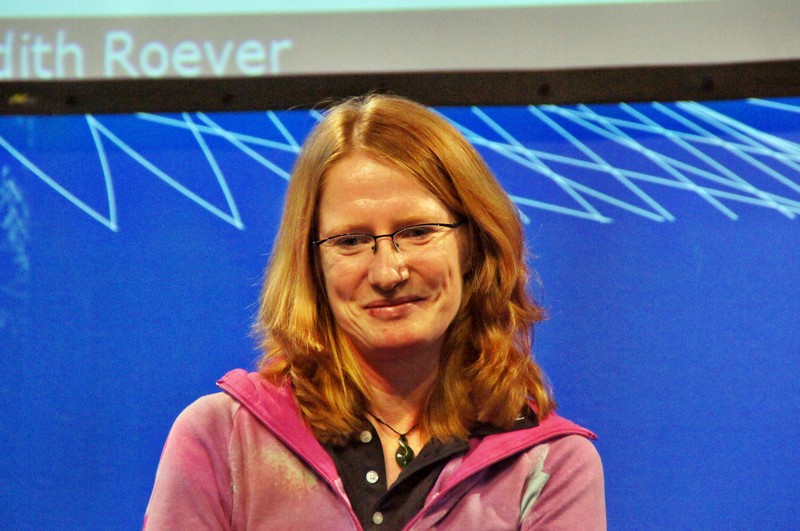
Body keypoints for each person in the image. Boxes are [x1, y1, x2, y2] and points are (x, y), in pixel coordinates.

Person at [144, 93, 605, 530]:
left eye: (418, 231)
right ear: (311, 263)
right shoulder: (221, 440)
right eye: (351, 240)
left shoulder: (550, 467)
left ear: (473, 245)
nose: (387, 272)